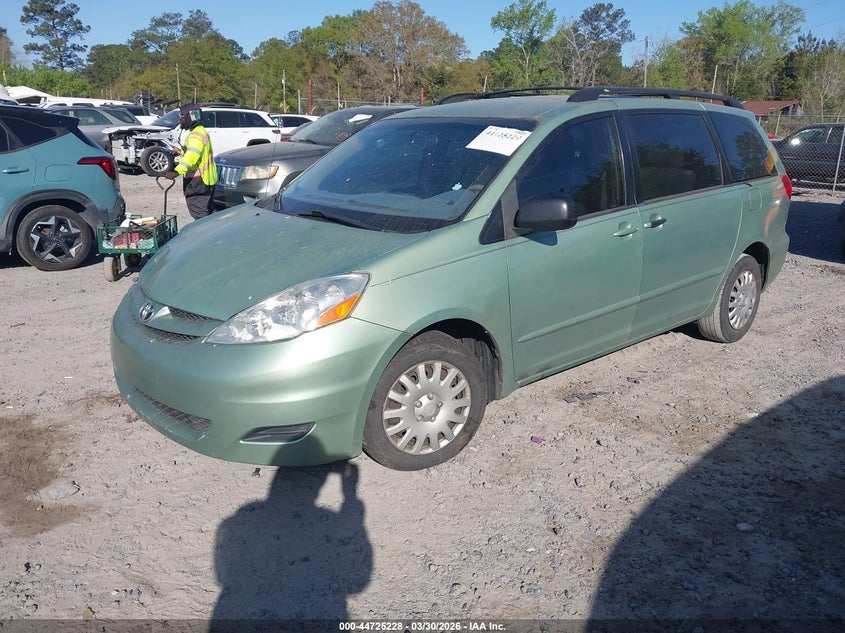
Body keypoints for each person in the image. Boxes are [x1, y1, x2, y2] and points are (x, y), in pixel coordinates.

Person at [164, 104, 218, 219]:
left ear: (190, 117)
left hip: (198, 183)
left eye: (182, 116)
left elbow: (191, 159)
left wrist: (176, 172)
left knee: (200, 216)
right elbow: (195, 154)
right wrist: (180, 152)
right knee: (207, 214)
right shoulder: (200, 131)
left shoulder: (195, 136)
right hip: (207, 180)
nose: (180, 119)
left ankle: (204, 236)